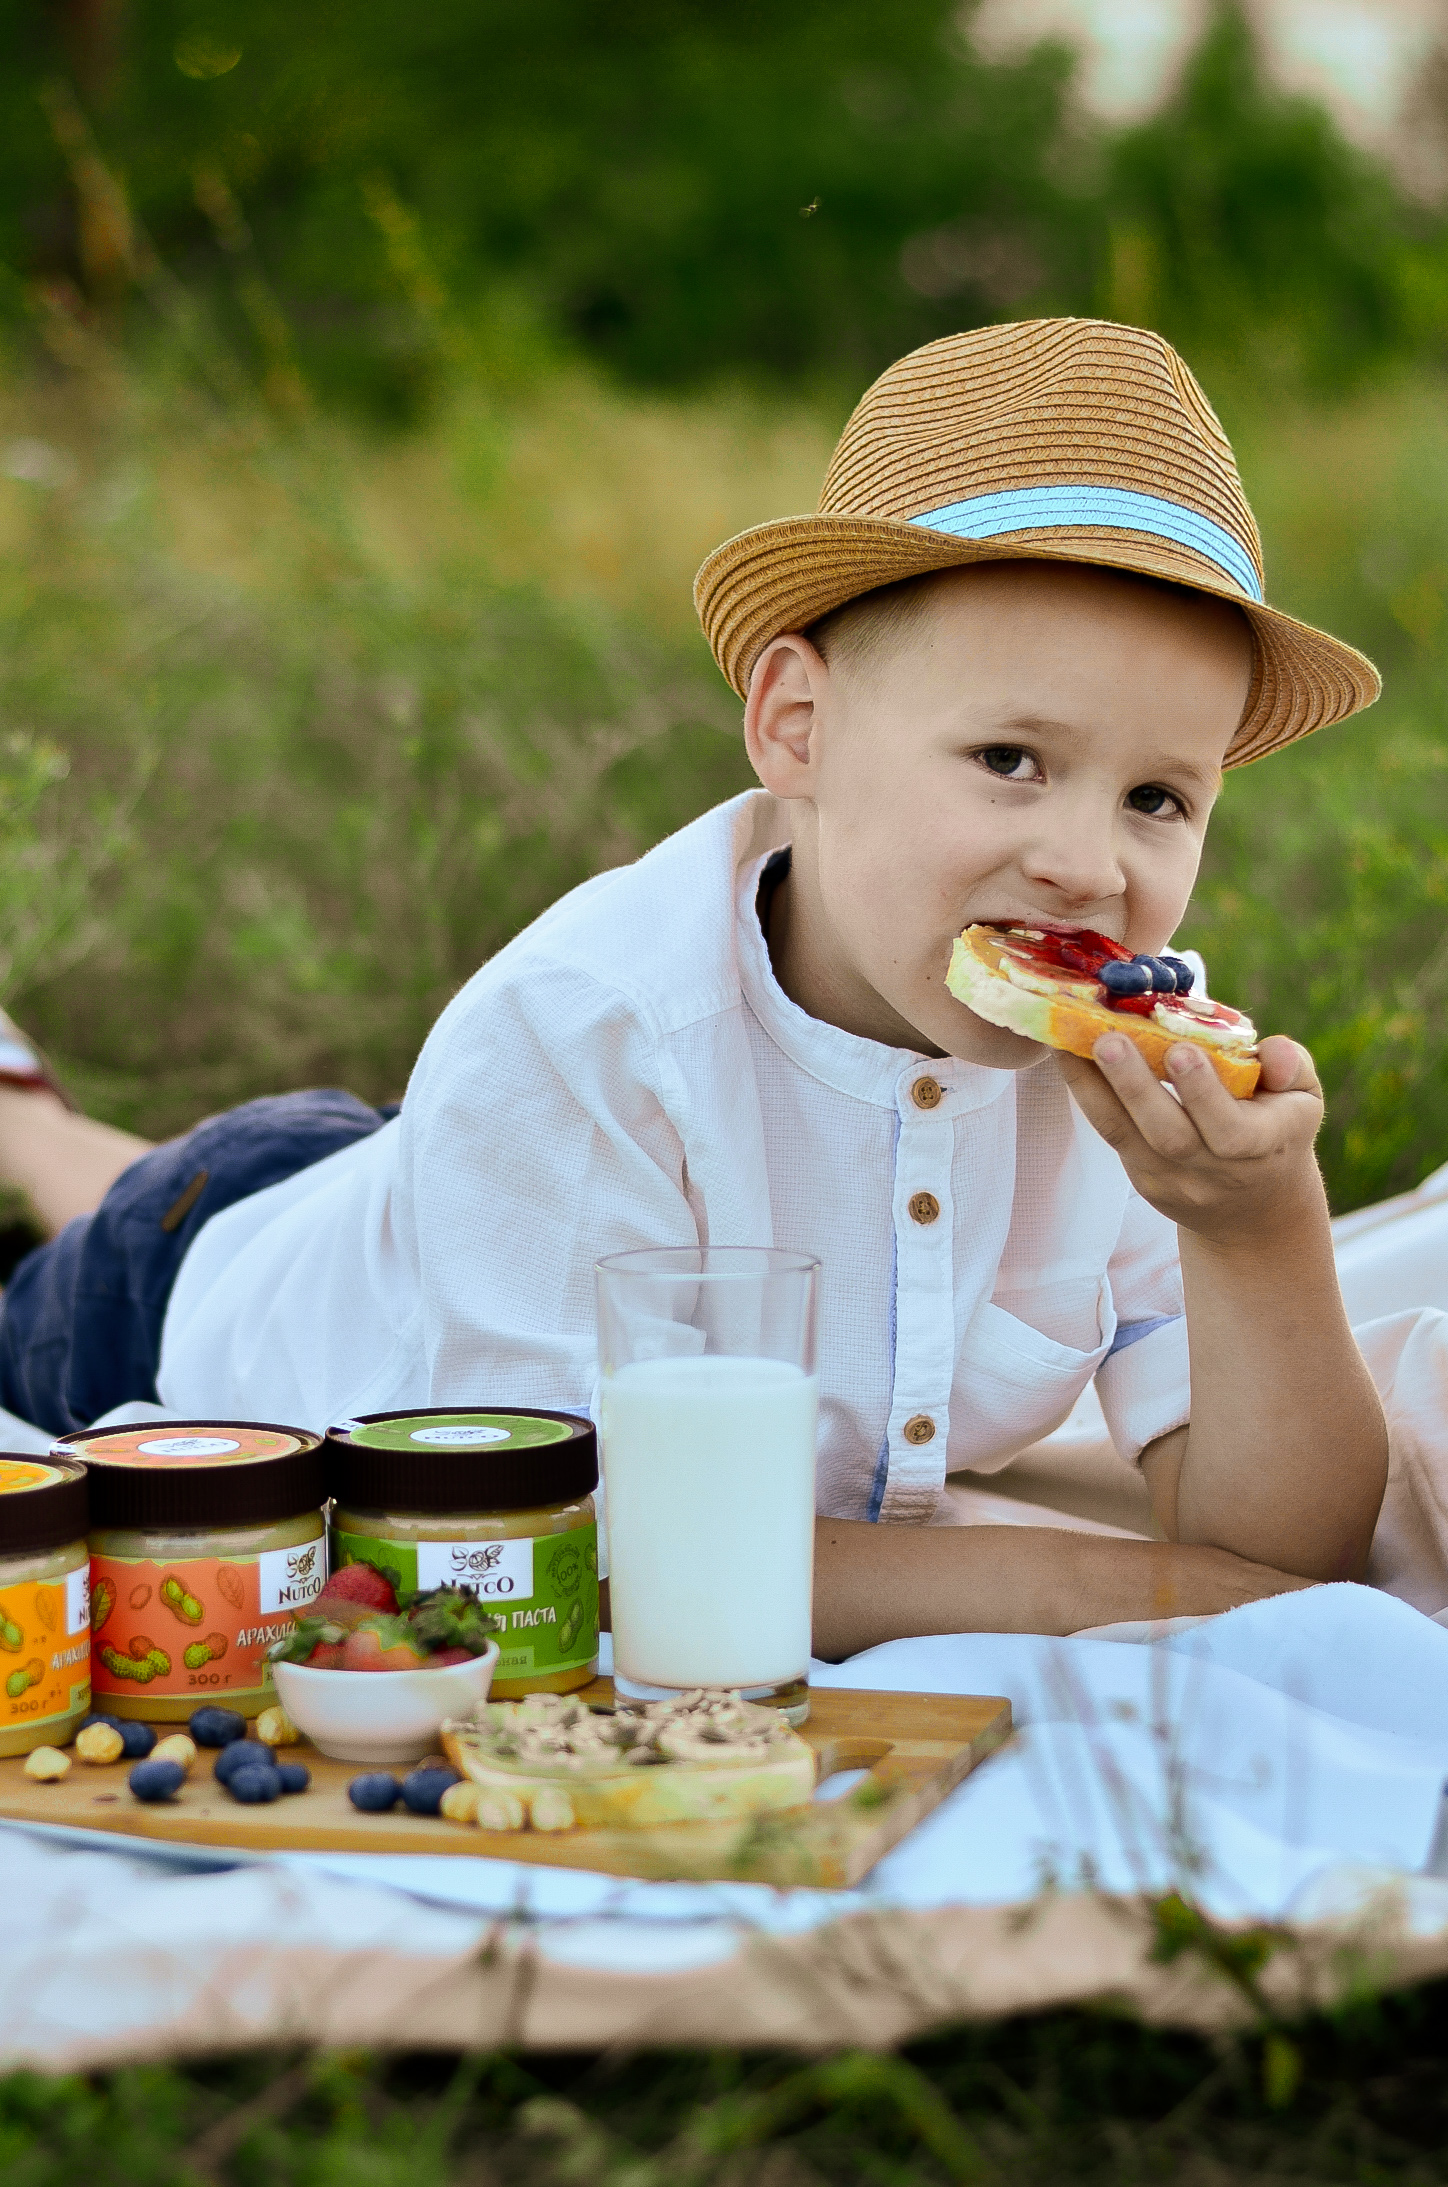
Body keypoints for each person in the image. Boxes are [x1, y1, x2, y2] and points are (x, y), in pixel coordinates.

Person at [0, 319, 1390, 1654]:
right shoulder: (581, 1032)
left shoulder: (1134, 1076)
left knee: (349, 1172)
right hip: (190, 1275)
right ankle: (26, 1116)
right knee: (133, 1217)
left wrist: (1257, 1231)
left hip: (435, 1178)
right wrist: (1057, 1583)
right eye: (1012, 761)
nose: (1087, 866)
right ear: (798, 728)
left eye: (1158, 795)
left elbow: (1280, 1552)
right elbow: (579, 1547)